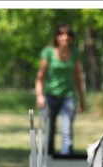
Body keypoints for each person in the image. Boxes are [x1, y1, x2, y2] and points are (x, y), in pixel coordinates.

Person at [35, 24, 86, 156]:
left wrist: (81, 100)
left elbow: (77, 78)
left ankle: (66, 155)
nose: (65, 37)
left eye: (68, 34)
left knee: (66, 129)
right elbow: (40, 77)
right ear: (56, 37)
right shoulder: (48, 52)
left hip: (68, 97)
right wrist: (40, 96)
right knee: (49, 130)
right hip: (50, 95)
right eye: (61, 34)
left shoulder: (75, 53)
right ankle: (48, 156)